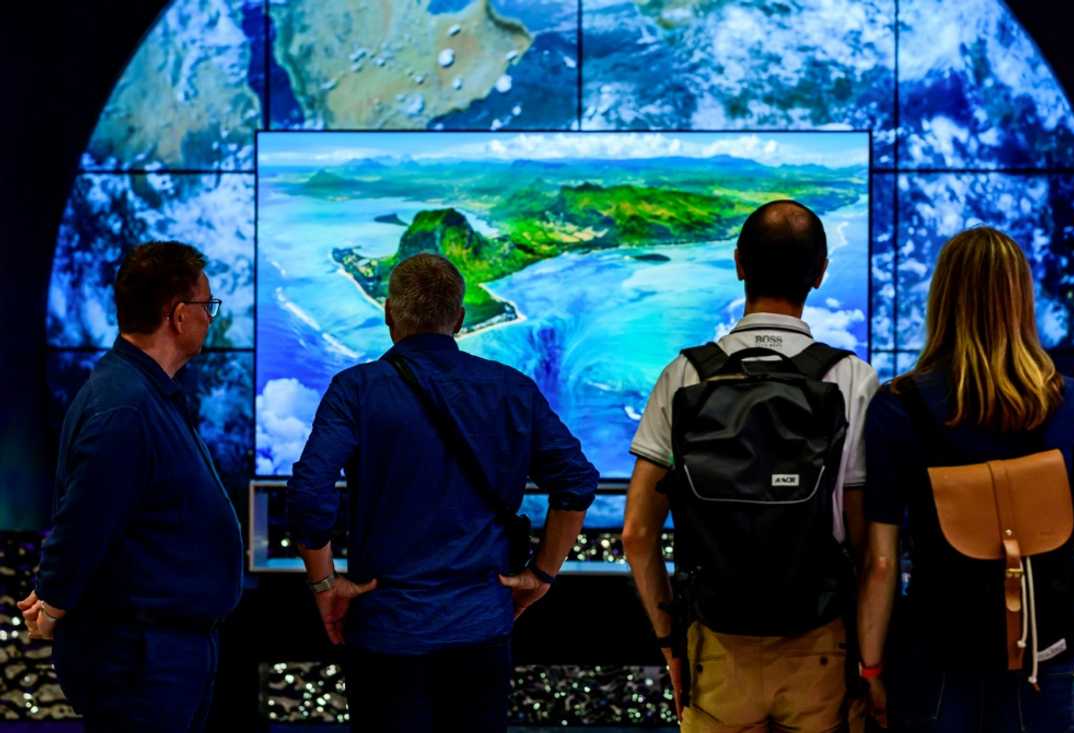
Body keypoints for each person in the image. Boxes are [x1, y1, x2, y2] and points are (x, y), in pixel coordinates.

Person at [286, 252, 599, 732]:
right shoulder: (511, 389)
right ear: (460, 318)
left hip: (385, 629)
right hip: (481, 625)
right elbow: (575, 482)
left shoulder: (356, 389)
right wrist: (542, 574)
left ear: (389, 312)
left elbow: (310, 492)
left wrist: (325, 585)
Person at [623, 200, 879, 731]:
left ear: (739, 263)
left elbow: (636, 533)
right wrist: (871, 661)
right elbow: (864, 543)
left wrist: (672, 640)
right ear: (821, 273)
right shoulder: (852, 380)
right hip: (820, 646)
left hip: (715, 644)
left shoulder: (684, 375)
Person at [858, 226, 1074, 731]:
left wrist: (871, 667)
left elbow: (881, 562)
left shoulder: (898, 406)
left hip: (937, 663)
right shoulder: (1068, 402)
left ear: (942, 300)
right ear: (1021, 300)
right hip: (1046, 661)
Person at [18, 241, 242, 731]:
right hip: (140, 661)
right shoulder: (124, 409)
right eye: (207, 306)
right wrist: (53, 600)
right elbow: (84, 520)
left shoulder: (142, 392)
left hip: (161, 655)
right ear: (177, 315)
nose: (211, 318)